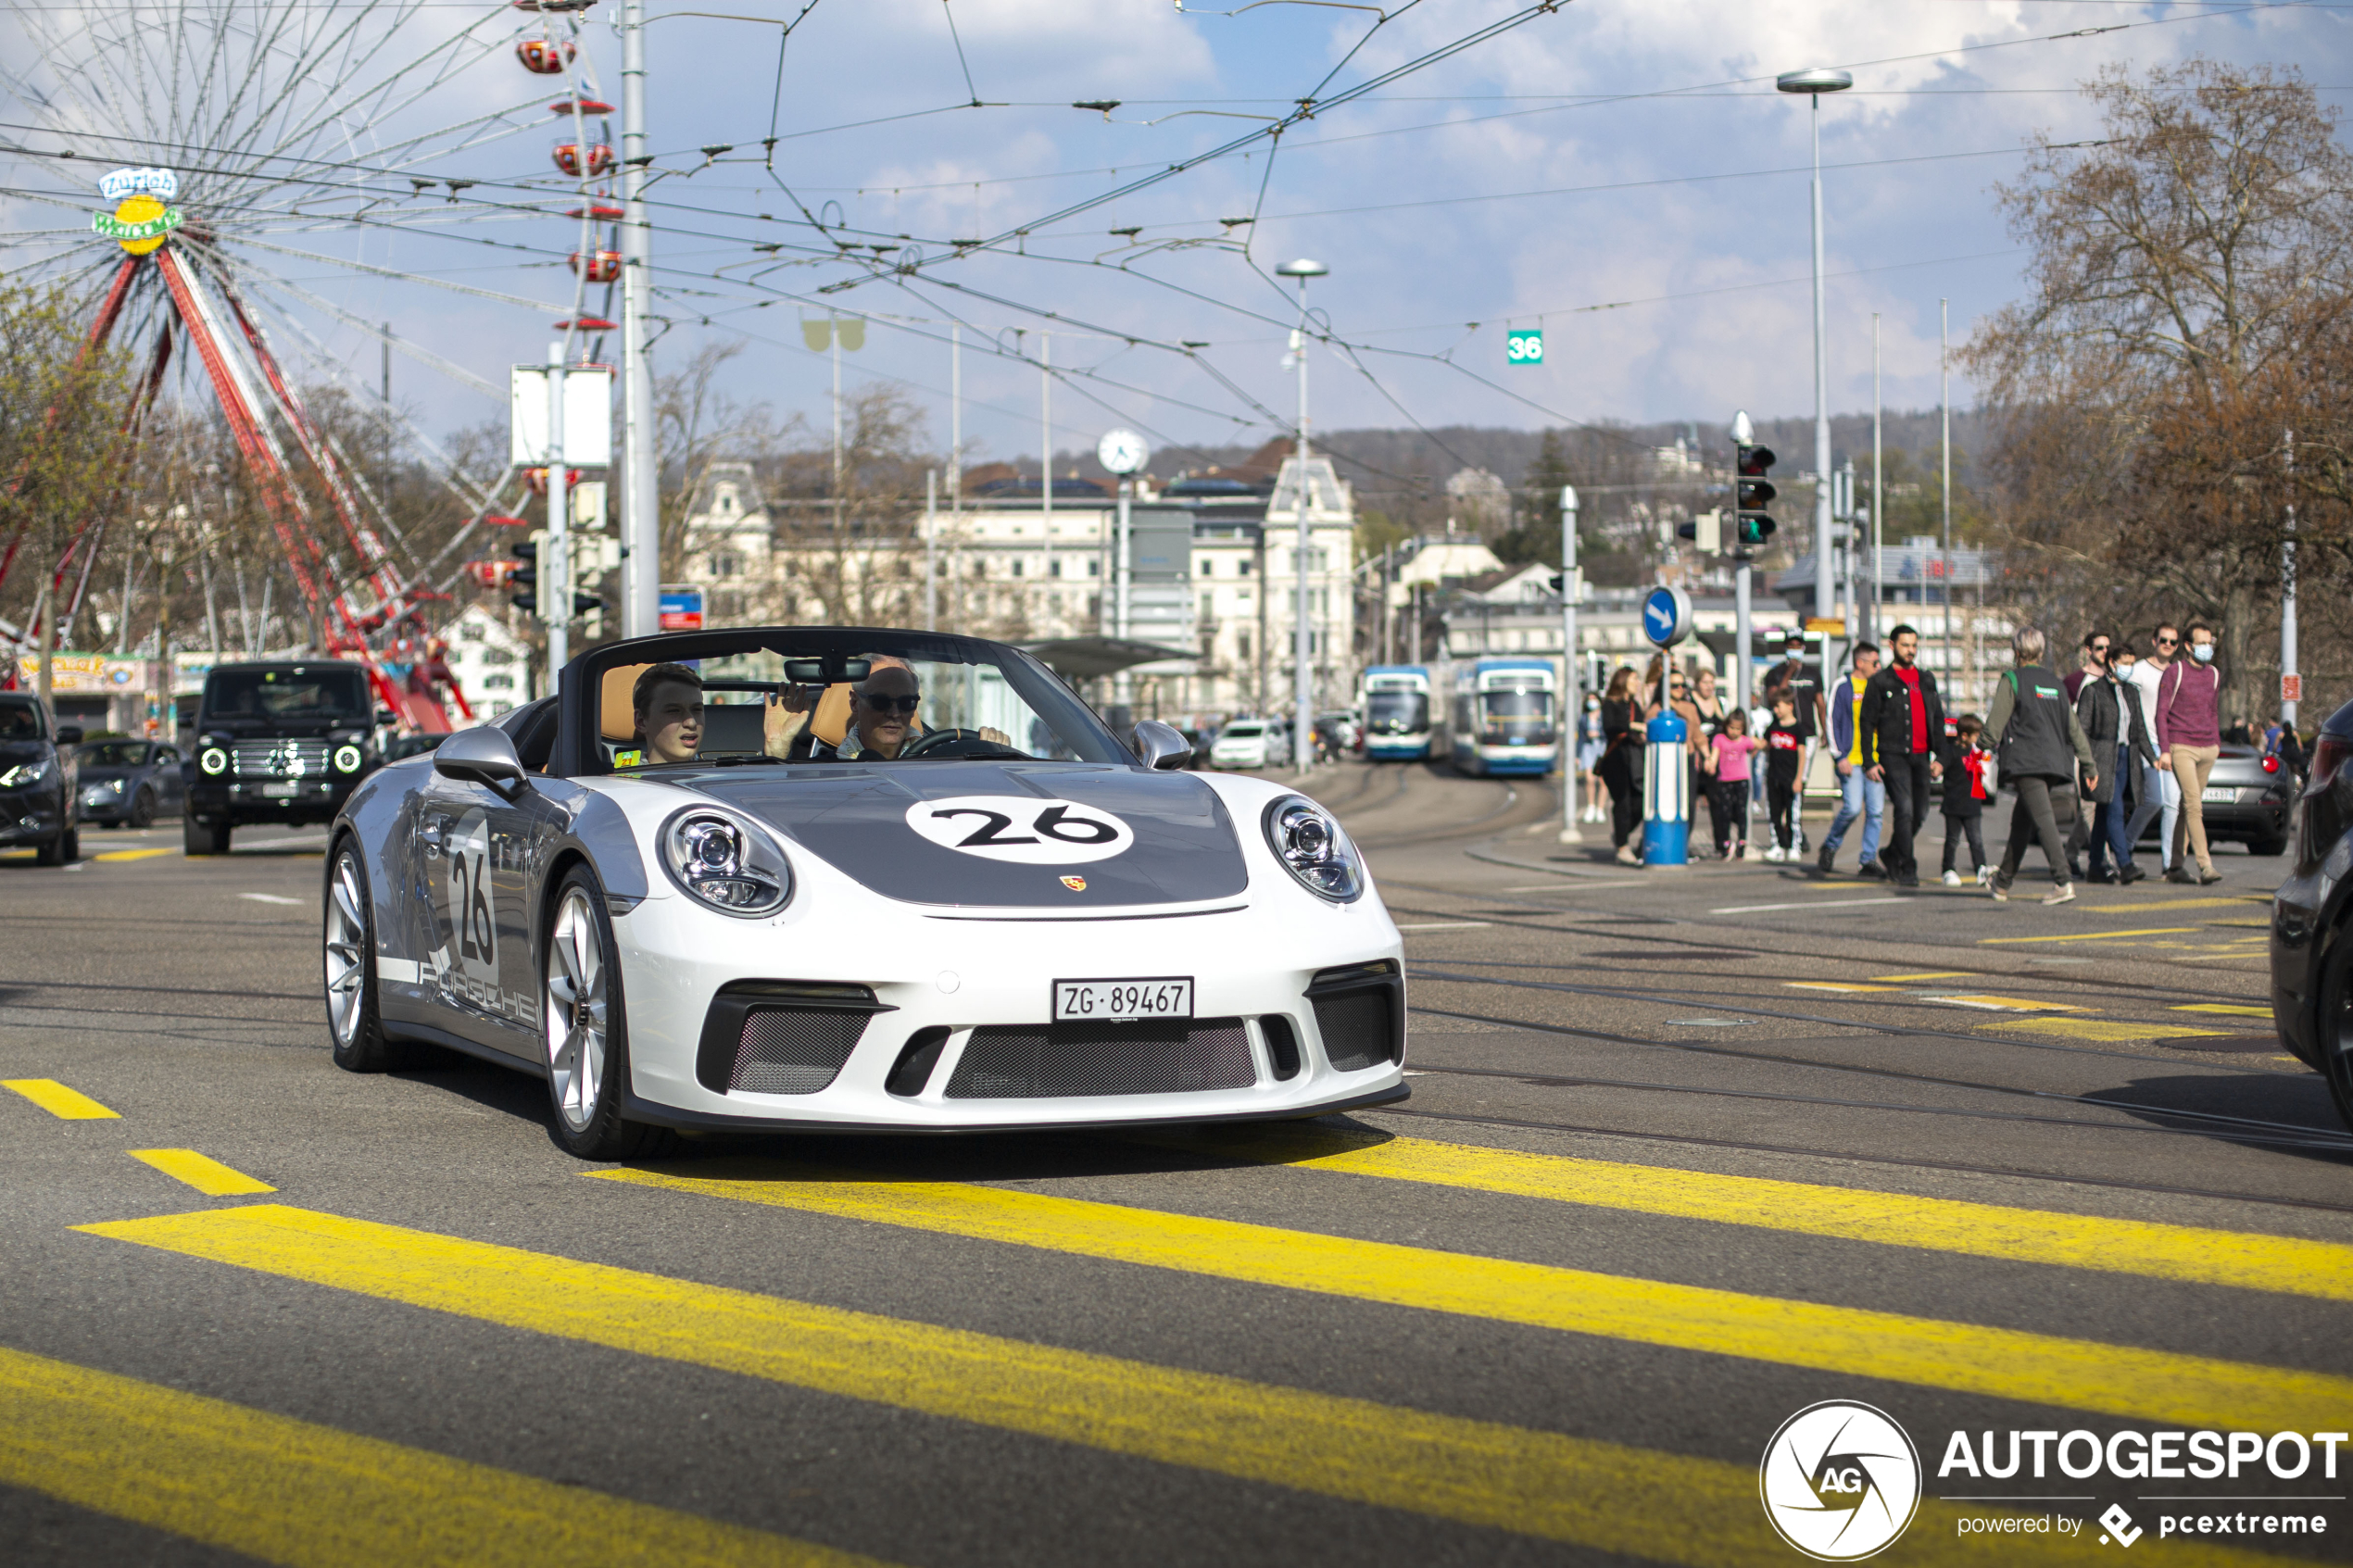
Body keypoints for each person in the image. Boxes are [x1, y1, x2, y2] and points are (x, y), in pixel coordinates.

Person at [1986, 624, 2099, 904]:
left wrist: (1979, 746)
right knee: (2021, 823)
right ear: (2041, 651)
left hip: (2026, 761)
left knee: (2044, 821)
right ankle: (2001, 883)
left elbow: (1994, 725)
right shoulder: (2055, 683)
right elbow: (2074, 728)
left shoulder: (2012, 679)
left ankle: (2063, 881)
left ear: (2016, 650)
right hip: (2053, 762)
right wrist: (2089, 765)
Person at [1858, 624, 1946, 888]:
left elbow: (1938, 719)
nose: (1910, 650)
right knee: (1905, 808)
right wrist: (1869, 761)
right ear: (1892, 645)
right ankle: (1907, 866)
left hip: (1921, 756)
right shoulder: (1880, 681)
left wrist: (1941, 757)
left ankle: (1892, 852)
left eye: (1914, 645)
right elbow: (1866, 723)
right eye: (1905, 645)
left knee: (1920, 811)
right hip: (1892, 754)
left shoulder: (1926, 679)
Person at [2077, 646, 2156, 884]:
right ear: (2111, 663)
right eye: (2125, 662)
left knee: (2104, 812)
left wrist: (2153, 758)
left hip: (2125, 758)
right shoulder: (2094, 691)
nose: (2128, 668)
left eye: (2132, 663)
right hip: (2102, 758)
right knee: (2114, 809)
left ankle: (2094, 867)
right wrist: (2088, 762)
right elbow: (2082, 729)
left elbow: (2140, 729)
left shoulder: (2131, 692)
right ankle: (2124, 863)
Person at [2156, 621, 2225, 884]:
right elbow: (2161, 712)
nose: (2207, 648)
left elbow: (2213, 710)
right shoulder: (2176, 672)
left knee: (2188, 808)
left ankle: (2174, 867)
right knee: (2195, 805)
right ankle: (2205, 865)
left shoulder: (2214, 674)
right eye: (2202, 643)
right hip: (2181, 746)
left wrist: (2216, 743)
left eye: (2210, 643)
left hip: (2208, 747)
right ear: (2188, 646)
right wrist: (2165, 750)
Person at [1818, 641, 1886, 875]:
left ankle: (1867, 860)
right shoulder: (1843, 685)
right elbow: (1832, 720)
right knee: (1852, 808)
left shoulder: (1879, 687)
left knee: (1876, 812)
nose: (1878, 667)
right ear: (1860, 662)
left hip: (1875, 760)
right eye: (1875, 663)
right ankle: (1830, 845)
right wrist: (1839, 757)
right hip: (1851, 759)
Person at [2123, 627, 2181, 876]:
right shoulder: (2137, 670)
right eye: (2164, 640)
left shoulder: (2177, 673)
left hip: (2169, 744)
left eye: (2173, 641)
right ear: (2154, 641)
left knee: (2173, 802)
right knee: (2154, 800)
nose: (2168, 644)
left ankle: (2169, 864)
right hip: (2144, 744)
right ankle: (2124, 846)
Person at [1762, 629, 1827, 847]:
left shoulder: (1813, 673)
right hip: (1782, 735)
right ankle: (1783, 831)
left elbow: (1820, 704)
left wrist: (1825, 731)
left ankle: (1795, 830)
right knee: (1780, 783)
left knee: (1799, 783)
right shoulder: (1776, 673)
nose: (1795, 648)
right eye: (1791, 645)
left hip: (1806, 734)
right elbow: (1774, 698)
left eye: (1798, 645)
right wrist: (1789, 672)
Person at [1598, 666, 1644, 865]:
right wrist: (1632, 727)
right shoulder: (1610, 704)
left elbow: (1642, 727)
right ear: (1623, 681)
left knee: (1640, 803)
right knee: (1623, 802)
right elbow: (1610, 727)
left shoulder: (1635, 706)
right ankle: (1623, 846)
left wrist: (1640, 736)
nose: (1637, 683)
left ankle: (1620, 835)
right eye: (1634, 679)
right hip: (1615, 760)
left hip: (1634, 759)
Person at [1940, 713, 1992, 885]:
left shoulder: (1975, 752)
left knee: (1976, 840)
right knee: (1952, 839)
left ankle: (1981, 869)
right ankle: (1948, 869)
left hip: (1972, 804)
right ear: (1964, 735)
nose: (1978, 739)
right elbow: (1939, 766)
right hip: (1953, 804)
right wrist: (1934, 768)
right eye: (1976, 735)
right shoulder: (1950, 751)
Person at [623, 662, 705, 765]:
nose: (691, 722)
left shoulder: (717, 774)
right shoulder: (620, 779)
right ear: (641, 722)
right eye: (674, 711)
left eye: (697, 709)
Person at [1705, 709, 1760, 860]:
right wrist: (1710, 764)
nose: (1734, 732)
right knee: (1725, 812)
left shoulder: (1744, 741)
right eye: (1732, 728)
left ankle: (1742, 842)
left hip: (1741, 779)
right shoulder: (1719, 739)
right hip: (1725, 780)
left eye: (1738, 729)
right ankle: (1725, 842)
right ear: (1726, 726)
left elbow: (1757, 744)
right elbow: (1714, 755)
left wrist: (1753, 753)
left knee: (1742, 812)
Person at [1762, 694, 1805, 862]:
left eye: (1778, 706)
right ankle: (1777, 845)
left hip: (1791, 778)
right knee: (1774, 814)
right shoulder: (1773, 727)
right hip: (1773, 777)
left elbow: (1802, 754)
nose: (1775, 710)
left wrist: (1799, 778)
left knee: (1793, 816)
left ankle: (1795, 846)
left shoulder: (1798, 729)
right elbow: (1764, 745)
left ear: (1790, 706)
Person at [1576, 692, 1606, 822]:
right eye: (1589, 699)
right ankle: (1591, 806)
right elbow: (1580, 738)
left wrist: (1598, 733)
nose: (1592, 702)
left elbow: (1609, 731)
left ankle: (1600, 809)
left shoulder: (1604, 716)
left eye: (1594, 699)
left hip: (1602, 749)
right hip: (1588, 749)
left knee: (1603, 781)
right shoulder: (1584, 718)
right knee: (1589, 779)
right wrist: (1577, 755)